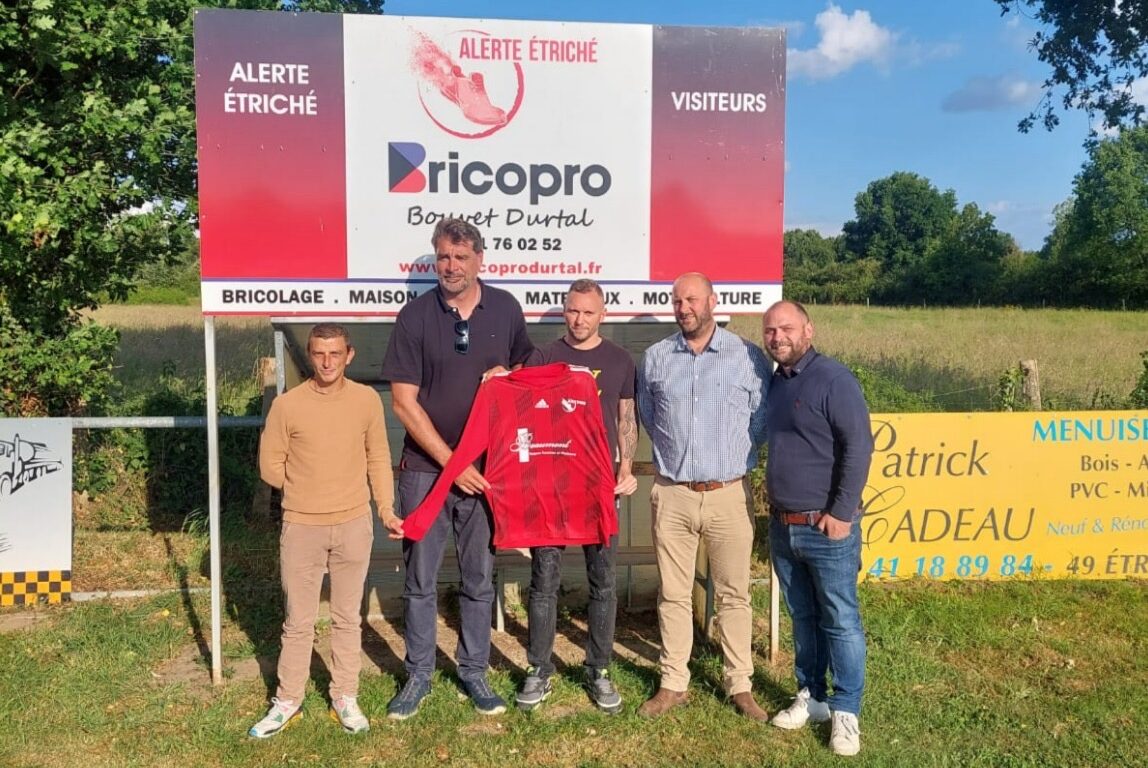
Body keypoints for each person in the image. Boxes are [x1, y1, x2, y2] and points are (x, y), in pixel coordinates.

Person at [381, 217, 533, 719]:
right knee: (420, 579)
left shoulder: (506, 309)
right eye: (443, 256)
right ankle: (418, 674)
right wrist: (452, 464)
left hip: (487, 470)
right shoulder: (415, 317)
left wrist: (508, 374)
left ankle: (474, 672)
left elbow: (527, 374)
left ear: (479, 260)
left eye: (461, 257)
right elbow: (403, 402)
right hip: (426, 470)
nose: (451, 266)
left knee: (478, 577)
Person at [249, 323, 397, 739]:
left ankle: (345, 696)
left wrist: (384, 508)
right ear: (310, 356)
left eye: (335, 354)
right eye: (318, 354)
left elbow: (378, 459)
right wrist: (305, 490)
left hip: (354, 525)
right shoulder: (287, 405)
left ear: (348, 355)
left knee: (348, 617)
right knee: (298, 620)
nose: (327, 362)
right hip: (302, 526)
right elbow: (270, 465)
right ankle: (288, 701)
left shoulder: (366, 400)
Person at [635, 272, 770, 721]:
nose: (683, 307)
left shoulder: (747, 357)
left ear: (713, 301)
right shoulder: (655, 358)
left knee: (734, 594)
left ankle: (740, 685)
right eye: (676, 301)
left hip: (729, 493)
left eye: (691, 299)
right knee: (673, 594)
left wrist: (727, 460)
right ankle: (673, 682)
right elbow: (651, 418)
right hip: (673, 494)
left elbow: (760, 421)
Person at [513, 279, 639, 715]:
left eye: (588, 312)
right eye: (572, 311)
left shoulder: (620, 360)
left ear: (603, 314)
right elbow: (521, 414)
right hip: (551, 490)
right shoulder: (544, 357)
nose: (580, 319)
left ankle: (598, 669)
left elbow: (627, 418)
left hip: (600, 489)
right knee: (543, 582)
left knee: (602, 582)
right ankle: (539, 669)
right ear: (563, 312)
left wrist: (625, 469)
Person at [761, 300, 873, 757]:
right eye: (769, 330)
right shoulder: (777, 382)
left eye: (786, 328)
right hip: (784, 527)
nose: (777, 337)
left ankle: (847, 711)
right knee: (803, 617)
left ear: (808, 330)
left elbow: (858, 447)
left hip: (826, 528)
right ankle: (814, 696)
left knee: (840, 620)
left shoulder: (834, 379)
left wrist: (841, 513)